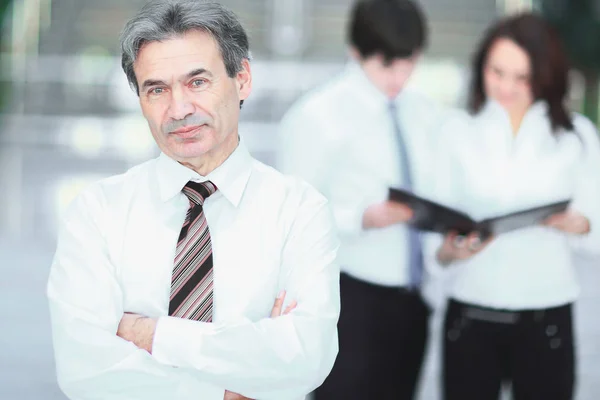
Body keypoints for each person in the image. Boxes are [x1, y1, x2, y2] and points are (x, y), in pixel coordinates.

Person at [46, 1, 340, 399]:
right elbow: (85, 371)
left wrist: (152, 334)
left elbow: (306, 357)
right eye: (157, 89)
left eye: (197, 82)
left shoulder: (299, 212)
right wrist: (229, 388)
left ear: (242, 79)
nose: (179, 109)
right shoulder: (97, 213)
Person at [427, 13, 600, 400]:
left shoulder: (576, 137)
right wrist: (449, 250)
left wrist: (581, 225)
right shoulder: (455, 131)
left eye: (521, 77)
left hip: (547, 319)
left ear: (545, 76)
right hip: (470, 315)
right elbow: (434, 234)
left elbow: (596, 233)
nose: (506, 87)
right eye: (497, 72)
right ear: (481, 67)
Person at [278, 1, 445, 398]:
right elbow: (290, 218)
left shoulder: (423, 114)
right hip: (348, 301)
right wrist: (361, 217)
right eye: (387, 65)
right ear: (356, 51)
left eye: (409, 62)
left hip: (411, 300)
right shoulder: (317, 116)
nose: (400, 76)